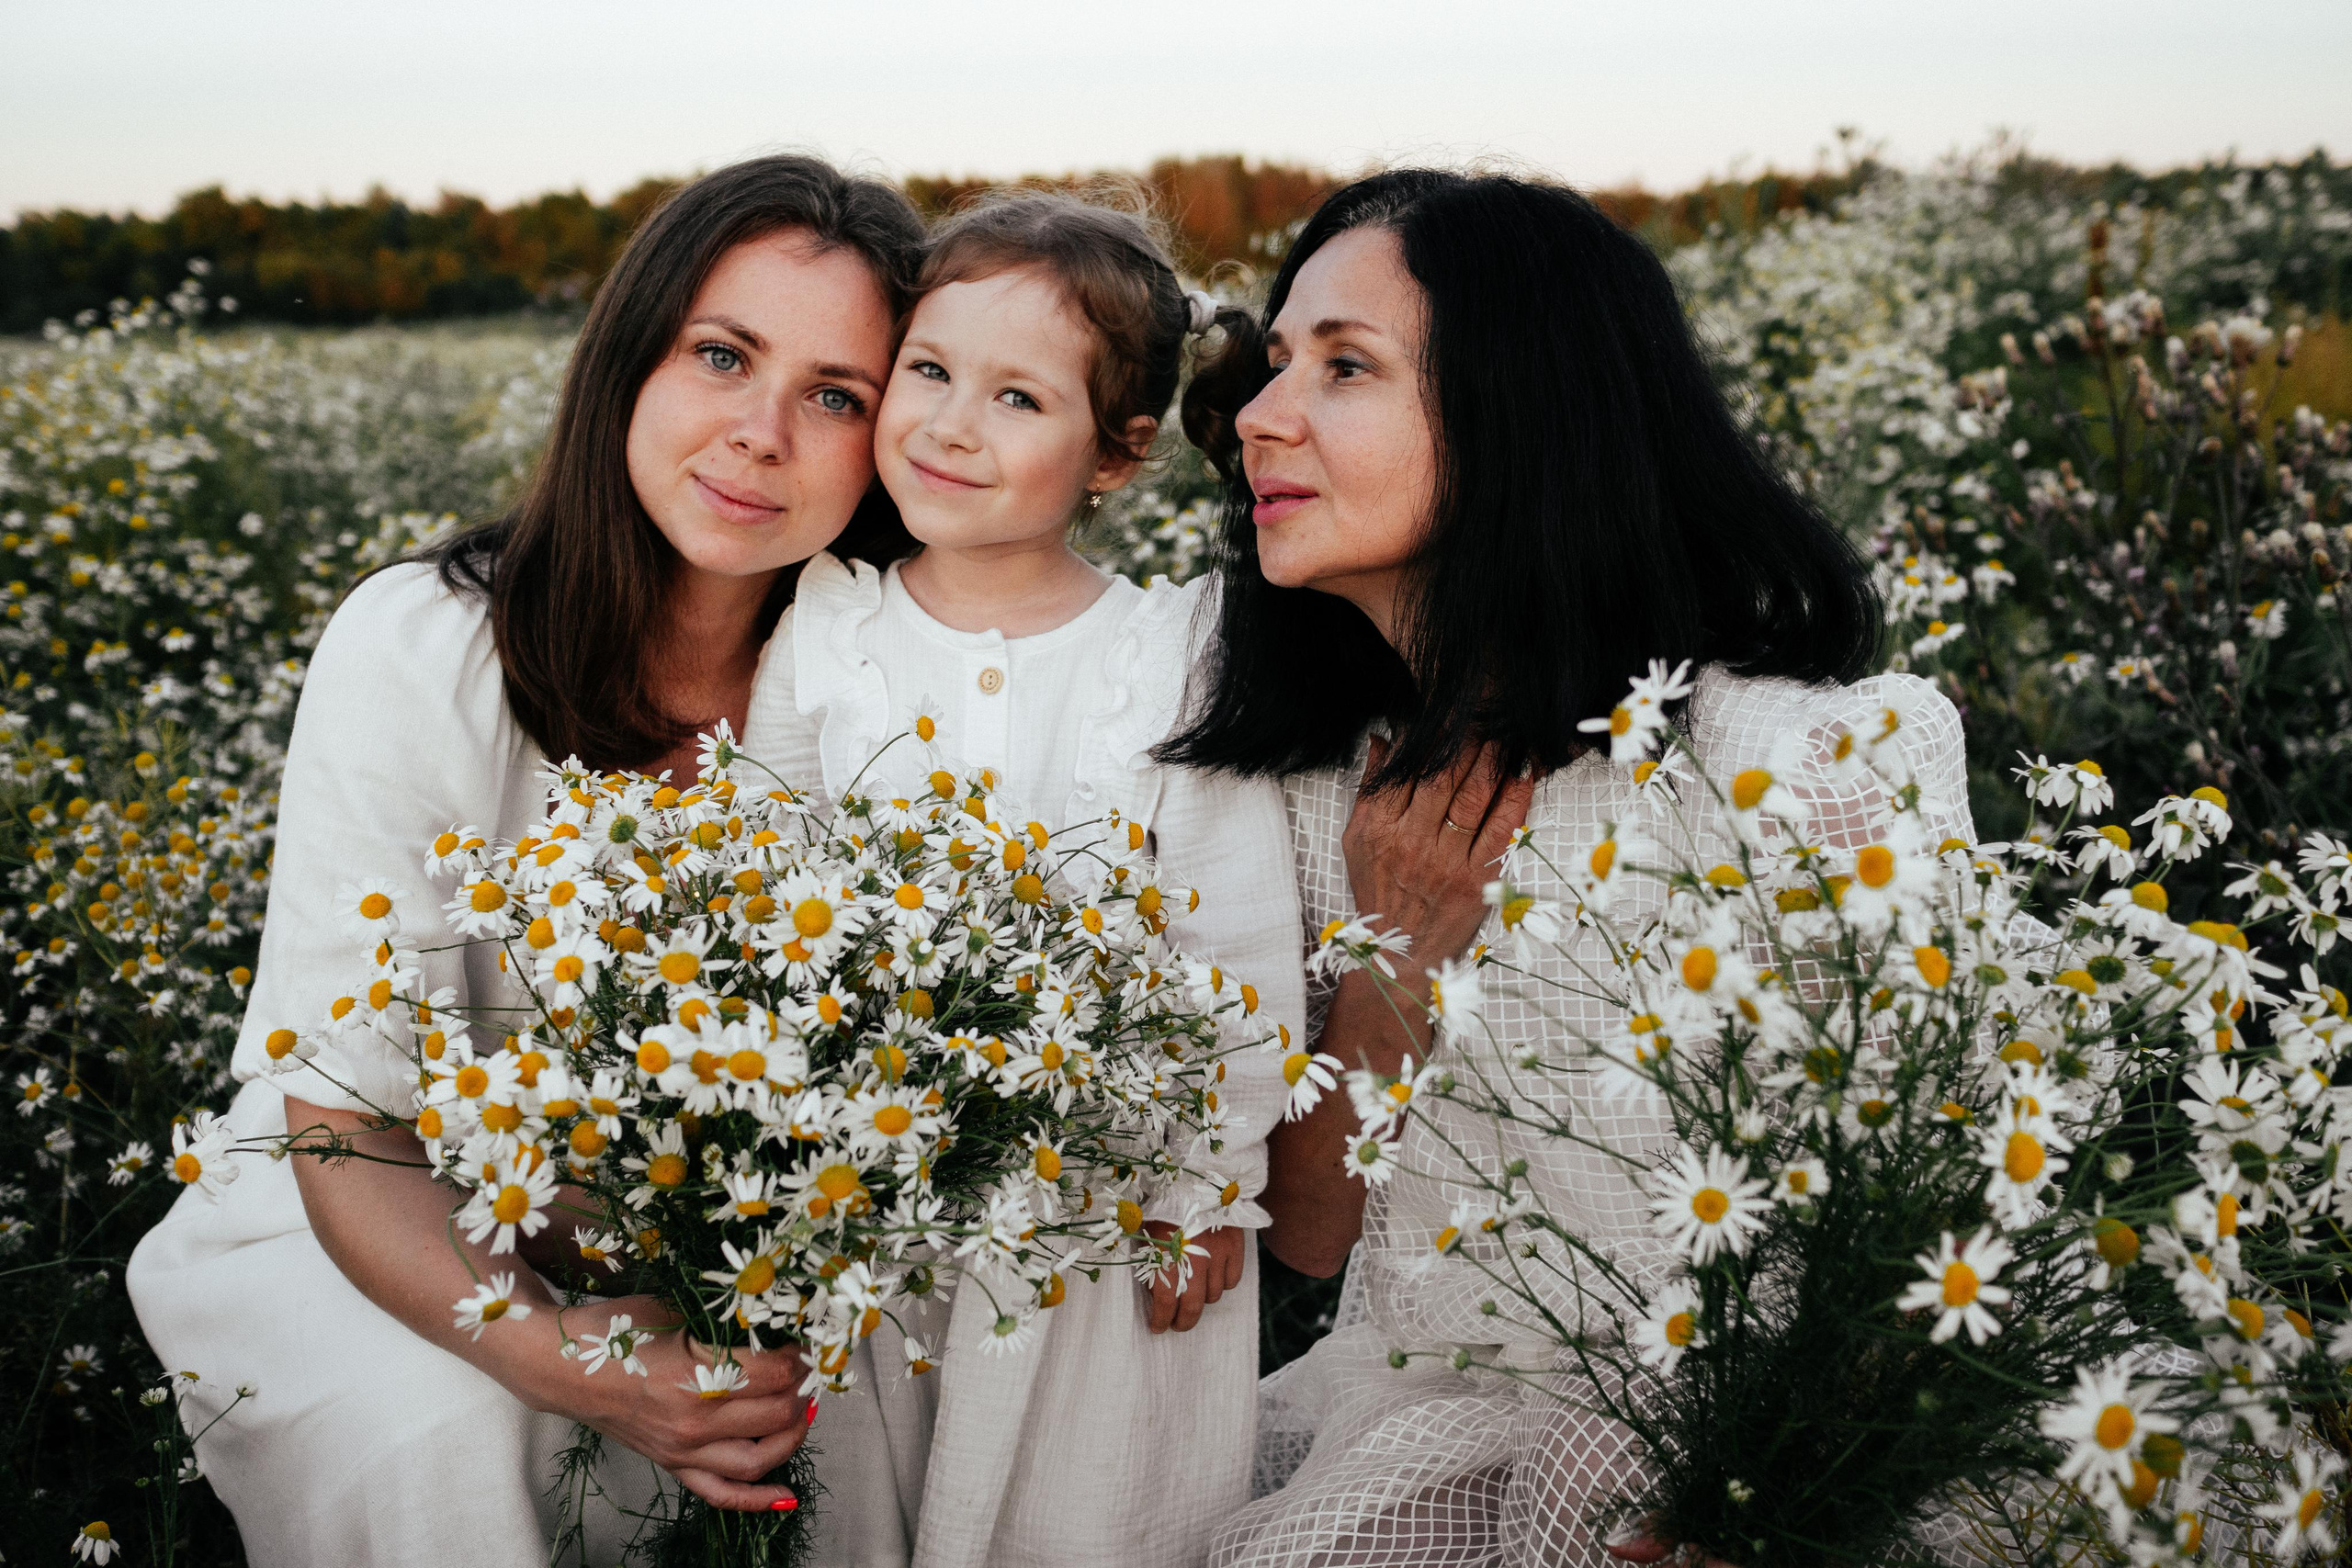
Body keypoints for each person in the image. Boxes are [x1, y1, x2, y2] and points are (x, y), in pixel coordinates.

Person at [1159, 169, 1974, 1567]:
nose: (1257, 415)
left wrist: (1770, 1490)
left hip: (1774, 1466)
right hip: (1428, 1445)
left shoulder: (1805, 754)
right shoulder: (1315, 786)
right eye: (1275, 358)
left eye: (1344, 366)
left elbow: (1944, 1196)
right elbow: (1302, 1239)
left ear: (1524, 413)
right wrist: (1396, 949)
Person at [126, 154, 927, 1565]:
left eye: (836, 395)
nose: (760, 434)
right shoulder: (425, 644)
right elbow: (339, 1116)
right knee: (443, 1430)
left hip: (716, 1251)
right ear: (628, 362)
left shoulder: (881, 684)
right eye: (723, 356)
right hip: (374, 1221)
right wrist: (572, 1358)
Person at [744, 190, 1304, 1568]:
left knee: (1091, 1510)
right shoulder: (829, 621)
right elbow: (755, 877)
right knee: (864, 1499)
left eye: (1016, 400)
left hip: (1102, 1200)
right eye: (927, 373)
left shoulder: (1172, 649)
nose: (947, 425)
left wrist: (1213, 1186)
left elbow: (1232, 934)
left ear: (1113, 456)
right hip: (867, 1185)